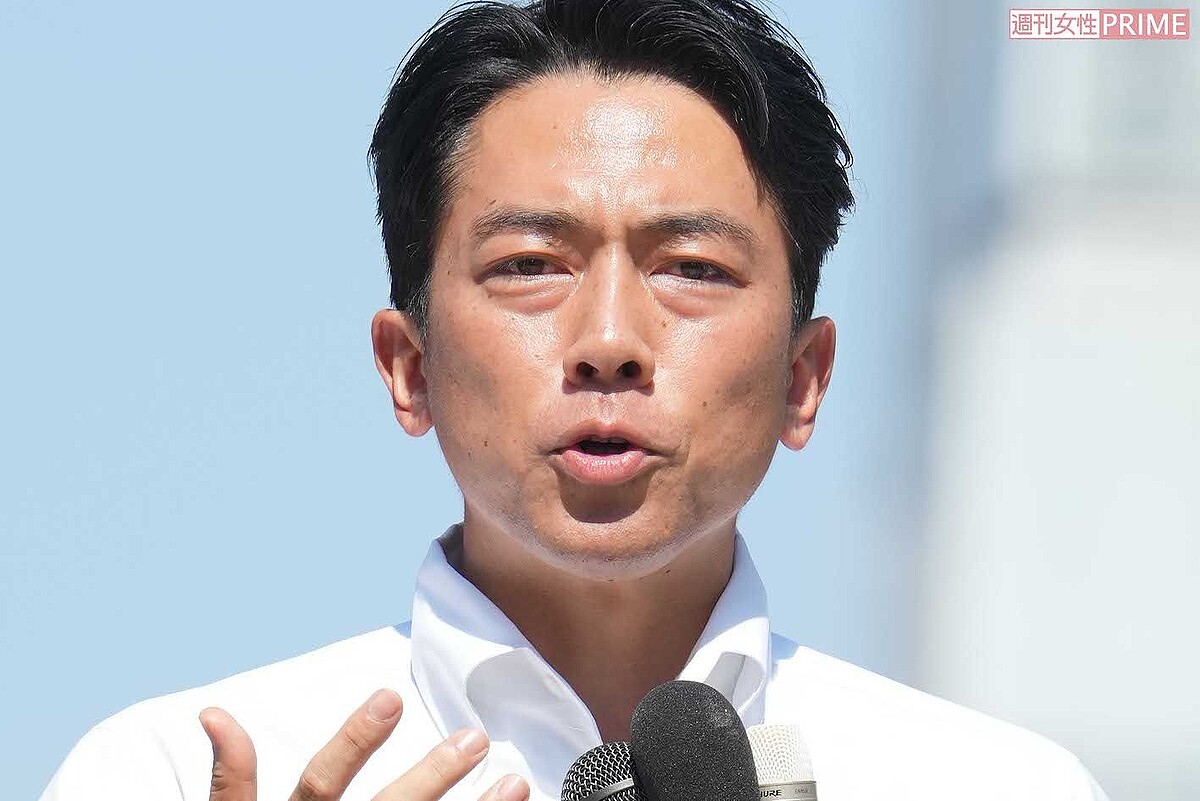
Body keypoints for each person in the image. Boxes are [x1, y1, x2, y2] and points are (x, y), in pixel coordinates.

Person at [39, 1, 1109, 800]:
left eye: (691, 268)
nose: (608, 343)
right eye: (529, 265)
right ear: (408, 365)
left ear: (803, 377)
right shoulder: (173, 771)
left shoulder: (991, 785)